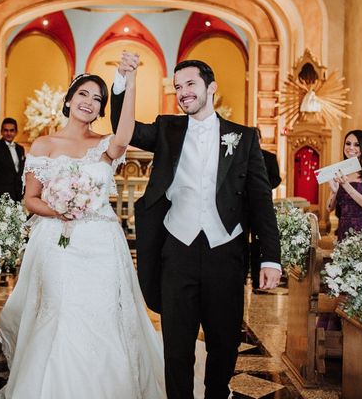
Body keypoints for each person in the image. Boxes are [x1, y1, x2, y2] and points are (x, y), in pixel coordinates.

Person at [0, 54, 177, 399]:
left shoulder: (105, 145)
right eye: (83, 95)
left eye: (97, 99)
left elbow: (125, 133)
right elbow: (30, 199)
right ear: (68, 99)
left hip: (101, 242)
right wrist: (58, 210)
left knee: (105, 312)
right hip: (59, 241)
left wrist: (130, 79)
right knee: (61, 309)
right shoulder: (43, 145)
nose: (90, 103)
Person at [111, 58, 281, 399]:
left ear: (211, 87)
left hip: (226, 249)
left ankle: (218, 393)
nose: (183, 93)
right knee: (176, 343)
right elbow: (123, 127)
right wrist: (122, 80)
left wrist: (270, 258)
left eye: (190, 84)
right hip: (177, 249)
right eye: (177, 87)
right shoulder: (166, 129)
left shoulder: (244, 137)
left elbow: (262, 201)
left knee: (224, 340)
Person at [326, 130, 362, 241]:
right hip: (343, 228)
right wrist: (334, 191)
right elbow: (329, 208)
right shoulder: (340, 171)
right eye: (348, 143)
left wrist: (346, 185)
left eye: (357, 145)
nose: (351, 148)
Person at [249, 127, 282, 290]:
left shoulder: (269, 157)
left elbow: (276, 178)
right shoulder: (241, 156)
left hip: (261, 204)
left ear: (260, 140)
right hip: (243, 204)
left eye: (256, 139)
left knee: (258, 243)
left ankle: (257, 279)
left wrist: (261, 187)